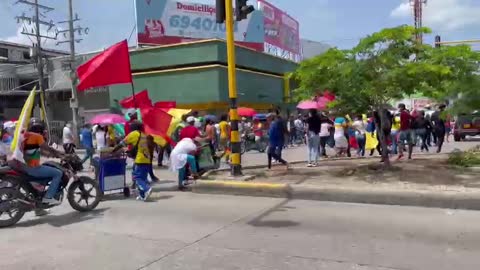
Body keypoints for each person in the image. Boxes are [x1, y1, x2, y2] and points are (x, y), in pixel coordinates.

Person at [19, 118, 64, 209]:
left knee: (46, 168)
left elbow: (39, 151)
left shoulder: (25, 136)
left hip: (24, 167)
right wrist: (60, 154)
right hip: (33, 168)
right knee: (58, 173)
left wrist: (54, 155)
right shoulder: (37, 137)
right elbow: (47, 148)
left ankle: (39, 208)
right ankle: (48, 197)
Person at [112, 121, 154, 201]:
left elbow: (122, 143)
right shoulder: (143, 135)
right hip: (147, 159)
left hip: (139, 159)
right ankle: (142, 195)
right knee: (143, 178)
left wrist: (114, 150)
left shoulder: (134, 134)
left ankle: (147, 189)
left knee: (137, 177)